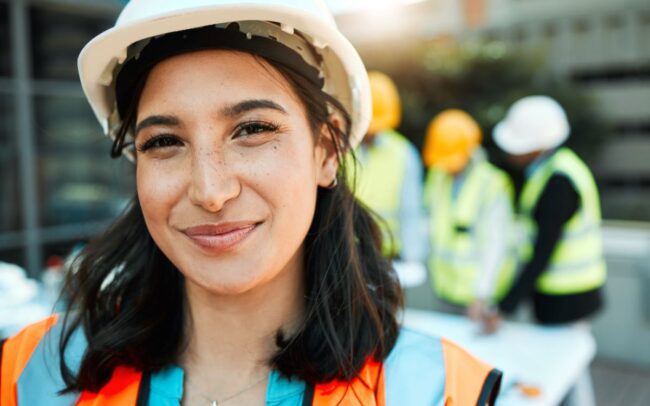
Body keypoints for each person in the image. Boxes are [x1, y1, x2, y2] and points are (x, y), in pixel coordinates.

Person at [0, 1, 502, 405]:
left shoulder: (440, 390)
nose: (210, 191)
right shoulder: (30, 374)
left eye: (253, 129)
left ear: (326, 152)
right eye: (163, 142)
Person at [481, 95, 606, 332]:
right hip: (568, 295)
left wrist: (504, 308)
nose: (510, 154)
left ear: (538, 145)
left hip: (567, 298)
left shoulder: (558, 182)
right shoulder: (556, 169)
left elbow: (542, 251)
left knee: (564, 365)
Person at [422, 109, 516, 320]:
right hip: (445, 290)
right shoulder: (437, 177)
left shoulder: (492, 184)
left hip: (479, 298)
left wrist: (481, 294)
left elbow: (496, 243)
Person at [349, 71, 428, 286]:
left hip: (387, 255)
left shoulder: (403, 153)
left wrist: (413, 259)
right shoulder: (340, 146)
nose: (371, 132)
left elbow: (411, 210)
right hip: (343, 251)